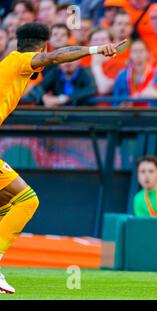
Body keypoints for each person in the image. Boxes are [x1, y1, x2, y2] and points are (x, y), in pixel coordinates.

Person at [0, 22, 126, 294]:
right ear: (43, 46)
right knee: (26, 200)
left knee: (5, 203)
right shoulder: (22, 62)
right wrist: (95, 49)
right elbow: (57, 57)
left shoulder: (8, 64)